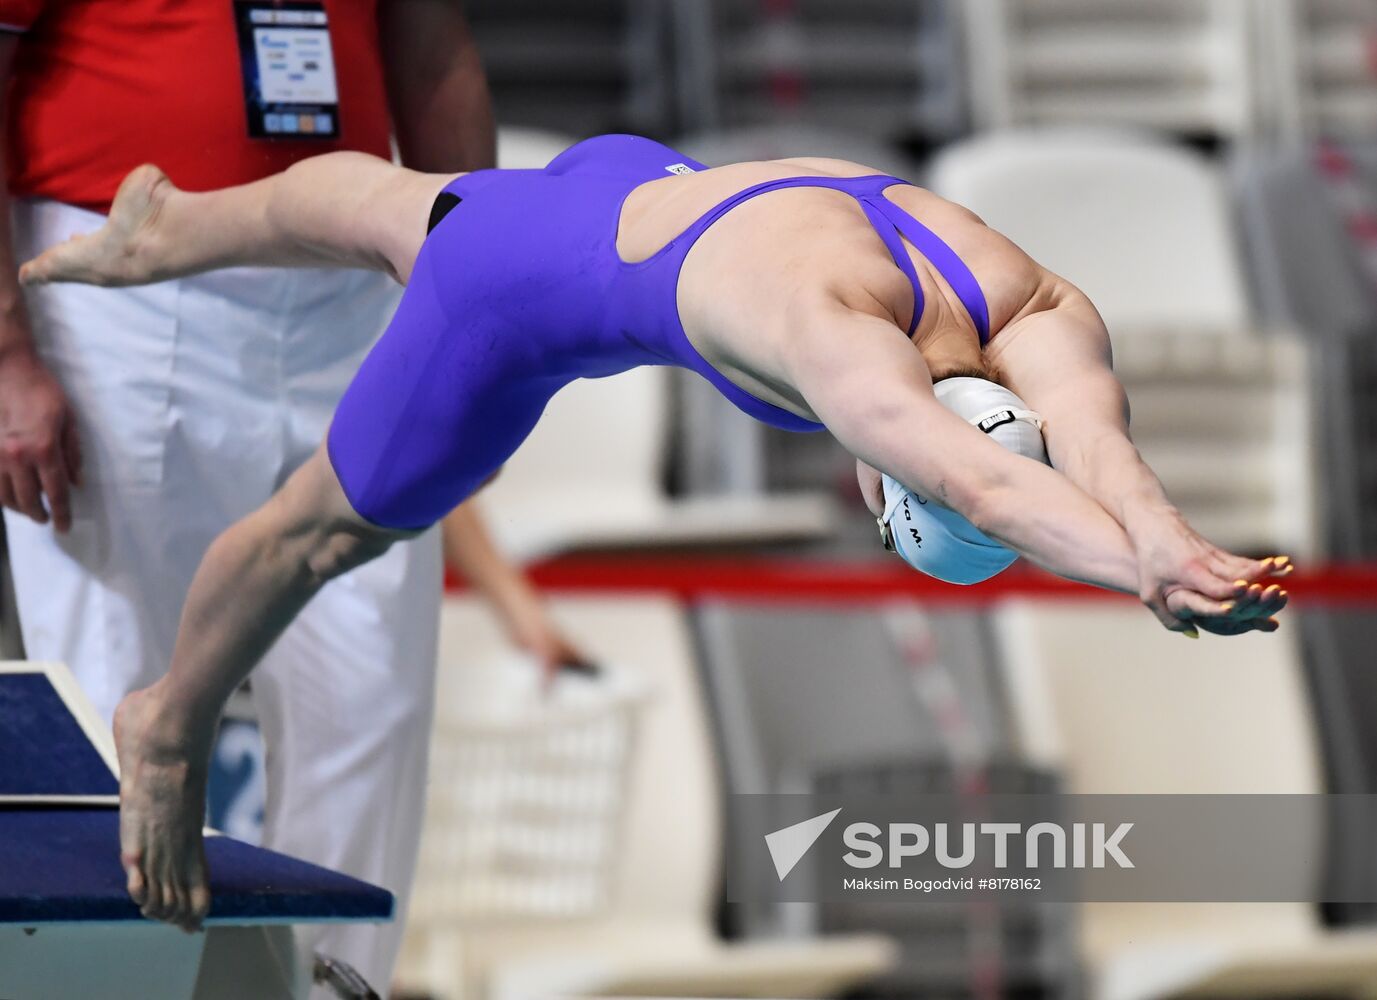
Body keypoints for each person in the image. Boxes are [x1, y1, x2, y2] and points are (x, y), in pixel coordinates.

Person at [21, 133, 1292, 931]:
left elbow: (1097, 455)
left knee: (400, 207)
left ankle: (181, 227)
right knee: (323, 530)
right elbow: (1001, 490)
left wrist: (1168, 547)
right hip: (516, 292)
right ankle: (169, 720)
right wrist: (1142, 569)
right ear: (894, 490)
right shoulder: (835, 343)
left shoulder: (1033, 299)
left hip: (632, 174)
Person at [0, 4, 578, 988]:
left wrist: (487, 346)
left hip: (347, 287)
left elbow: (435, 55)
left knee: (372, 703)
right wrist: (7, 345)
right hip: (115, 280)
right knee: (114, 696)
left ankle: (331, 986)